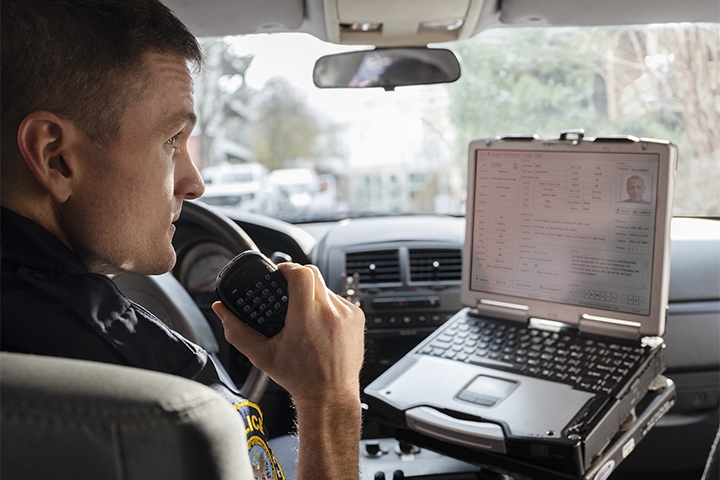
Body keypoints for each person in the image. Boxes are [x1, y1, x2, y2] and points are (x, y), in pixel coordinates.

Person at [0, 1, 365, 479]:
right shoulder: (156, 392)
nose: (194, 183)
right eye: (172, 139)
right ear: (55, 157)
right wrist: (330, 397)